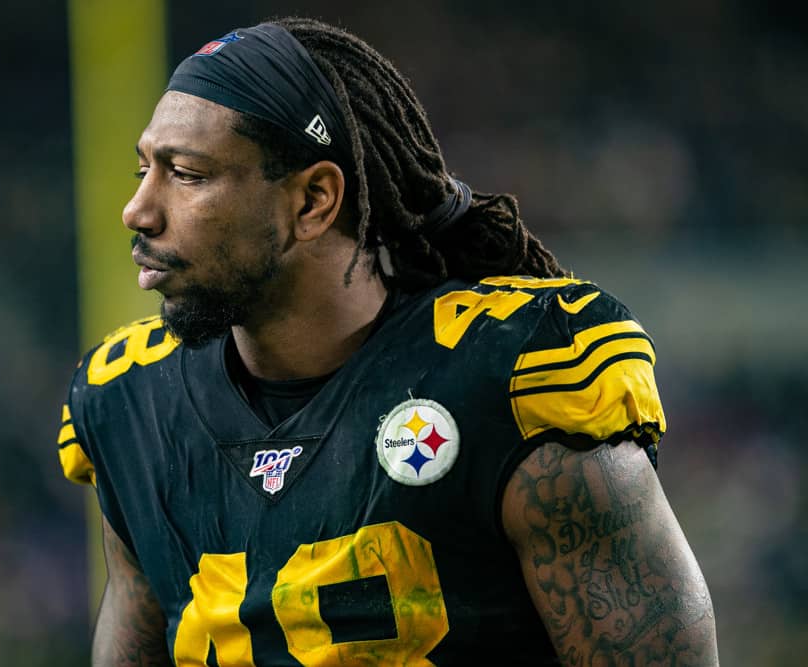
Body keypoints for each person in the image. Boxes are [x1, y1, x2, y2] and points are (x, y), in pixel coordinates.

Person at [57, 18, 718, 666]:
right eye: (144, 168)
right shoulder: (128, 400)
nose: (137, 210)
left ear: (314, 200)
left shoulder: (511, 375)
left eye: (187, 174)